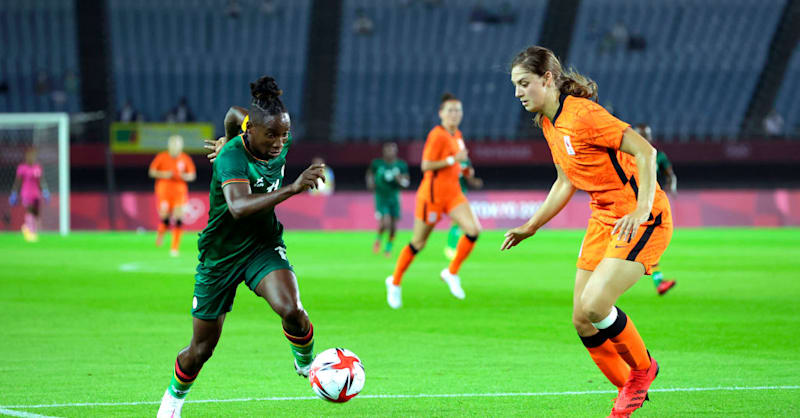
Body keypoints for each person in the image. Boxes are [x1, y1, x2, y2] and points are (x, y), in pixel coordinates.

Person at [502, 46, 672, 417]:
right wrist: (531, 226)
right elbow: (566, 181)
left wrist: (643, 207)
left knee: (596, 304)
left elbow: (646, 152)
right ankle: (628, 390)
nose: (517, 92)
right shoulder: (549, 123)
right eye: (515, 85)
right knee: (582, 317)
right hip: (604, 217)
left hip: (641, 215)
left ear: (547, 80)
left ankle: (643, 372)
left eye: (524, 83)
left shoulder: (584, 116)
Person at [157, 76, 326, 418]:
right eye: (272, 135)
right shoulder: (232, 158)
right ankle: (174, 399)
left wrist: (229, 132)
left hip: (262, 245)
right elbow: (239, 207)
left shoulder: (265, 131)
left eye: (284, 134)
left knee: (292, 309)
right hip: (220, 256)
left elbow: (234, 114)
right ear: (253, 131)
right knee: (201, 349)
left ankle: (307, 366)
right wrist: (292, 188)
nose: (280, 142)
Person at [384, 93, 481, 309]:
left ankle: (451, 272)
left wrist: (466, 169)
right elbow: (426, 165)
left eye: (458, 110)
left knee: (473, 230)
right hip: (433, 197)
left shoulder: (458, 135)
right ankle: (395, 281)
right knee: (418, 243)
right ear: (441, 113)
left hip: (454, 194)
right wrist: (452, 160)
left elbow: (460, 161)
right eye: (450, 110)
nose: (455, 114)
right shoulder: (436, 135)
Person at [634, 124, 677, 296]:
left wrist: (671, 186)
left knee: (648, 244)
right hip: (631, 204)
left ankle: (659, 281)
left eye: (648, 135)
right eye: (642, 135)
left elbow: (670, 174)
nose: (646, 138)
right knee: (644, 244)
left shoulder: (658, 156)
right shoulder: (627, 155)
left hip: (651, 204)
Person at [148, 135, 197, 257]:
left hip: (179, 192)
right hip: (163, 191)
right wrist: (165, 174)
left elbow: (192, 175)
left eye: (177, 144)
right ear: (169, 145)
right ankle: (160, 234)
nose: (175, 146)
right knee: (165, 218)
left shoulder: (185, 158)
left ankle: (174, 247)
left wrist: (183, 176)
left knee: (178, 218)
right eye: (173, 144)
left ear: (181, 145)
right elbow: (152, 171)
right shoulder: (162, 156)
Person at [367, 142, 410, 257]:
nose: (390, 152)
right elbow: (370, 174)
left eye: (392, 150)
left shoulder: (401, 165)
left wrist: (400, 180)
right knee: (385, 223)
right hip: (381, 197)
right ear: (384, 151)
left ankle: (388, 247)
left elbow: (406, 182)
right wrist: (370, 183)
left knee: (393, 227)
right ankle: (379, 239)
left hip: (394, 197)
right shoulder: (377, 164)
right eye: (388, 150)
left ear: (396, 152)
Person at [444, 158, 483, 260]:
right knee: (456, 221)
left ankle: (452, 247)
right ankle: (451, 247)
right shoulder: (450, 160)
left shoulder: (465, 162)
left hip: (461, 195)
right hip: (451, 194)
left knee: (458, 222)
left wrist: (474, 181)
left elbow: (468, 178)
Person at [9, 148, 49, 242]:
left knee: (36, 213)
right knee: (30, 210)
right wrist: (14, 193)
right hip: (26, 193)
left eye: (33, 156)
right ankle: (30, 232)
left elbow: (41, 181)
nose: (32, 158)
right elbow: (17, 182)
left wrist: (45, 191)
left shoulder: (37, 167)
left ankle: (30, 229)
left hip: (36, 193)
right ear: (27, 157)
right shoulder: (22, 168)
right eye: (30, 156)